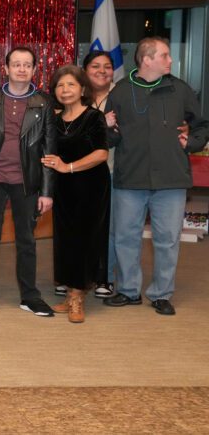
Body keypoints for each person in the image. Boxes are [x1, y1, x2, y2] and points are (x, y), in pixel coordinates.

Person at [103, 36, 209, 315]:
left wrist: (193, 142)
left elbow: (202, 124)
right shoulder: (121, 91)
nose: (170, 60)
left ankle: (162, 294)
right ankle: (128, 290)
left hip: (171, 178)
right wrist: (106, 127)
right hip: (130, 177)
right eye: (165, 55)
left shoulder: (180, 89)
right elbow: (108, 139)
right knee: (125, 236)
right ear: (147, 59)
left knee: (168, 238)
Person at [0, 46, 56, 317]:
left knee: (26, 240)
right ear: (6, 68)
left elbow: (49, 149)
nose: (21, 69)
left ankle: (30, 296)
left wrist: (47, 191)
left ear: (33, 69)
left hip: (27, 182)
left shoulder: (43, 102)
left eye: (27, 64)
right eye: (16, 64)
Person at [40, 65, 110, 323]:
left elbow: (102, 154)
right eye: (60, 85)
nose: (65, 89)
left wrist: (67, 167)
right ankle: (70, 293)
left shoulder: (93, 117)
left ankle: (78, 297)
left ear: (82, 89)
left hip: (90, 187)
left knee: (84, 239)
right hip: (63, 189)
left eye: (70, 84)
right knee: (64, 240)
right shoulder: (55, 121)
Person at [83, 50, 117, 298]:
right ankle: (79, 276)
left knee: (108, 228)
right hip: (79, 172)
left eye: (107, 66)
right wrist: (101, 124)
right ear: (85, 70)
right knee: (82, 228)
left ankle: (105, 277)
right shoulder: (74, 96)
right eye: (95, 66)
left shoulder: (123, 96)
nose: (102, 71)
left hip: (114, 172)